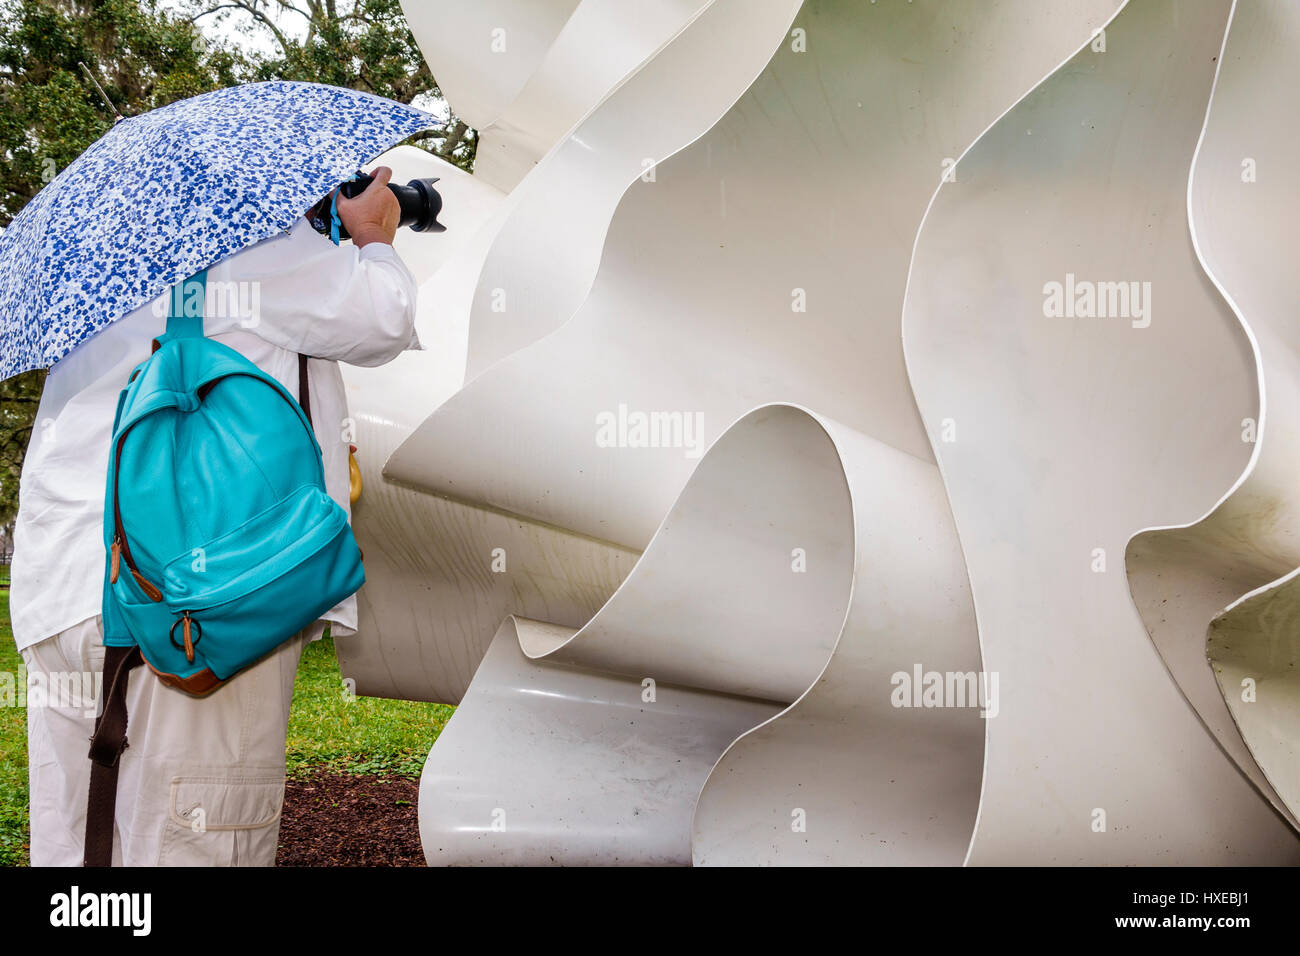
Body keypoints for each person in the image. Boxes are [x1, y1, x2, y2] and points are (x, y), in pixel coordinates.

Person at [10, 167, 417, 866]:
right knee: (195, 841)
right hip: (197, 604)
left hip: (61, 595)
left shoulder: (90, 266)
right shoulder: (253, 239)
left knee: (82, 854)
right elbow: (383, 319)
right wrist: (373, 235)